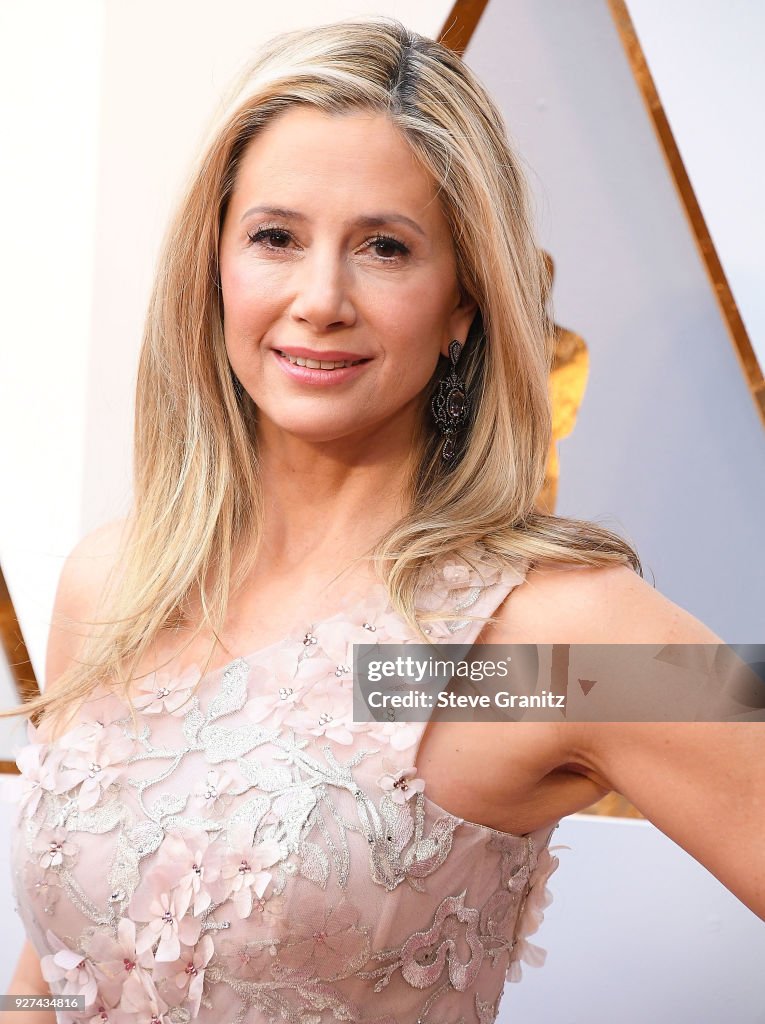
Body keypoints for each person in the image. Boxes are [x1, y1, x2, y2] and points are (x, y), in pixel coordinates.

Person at [3, 17, 762, 1024]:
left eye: (385, 248)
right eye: (276, 237)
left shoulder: (540, 641)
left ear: (464, 303)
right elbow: (52, 971)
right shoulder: (119, 580)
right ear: (215, 265)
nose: (320, 298)